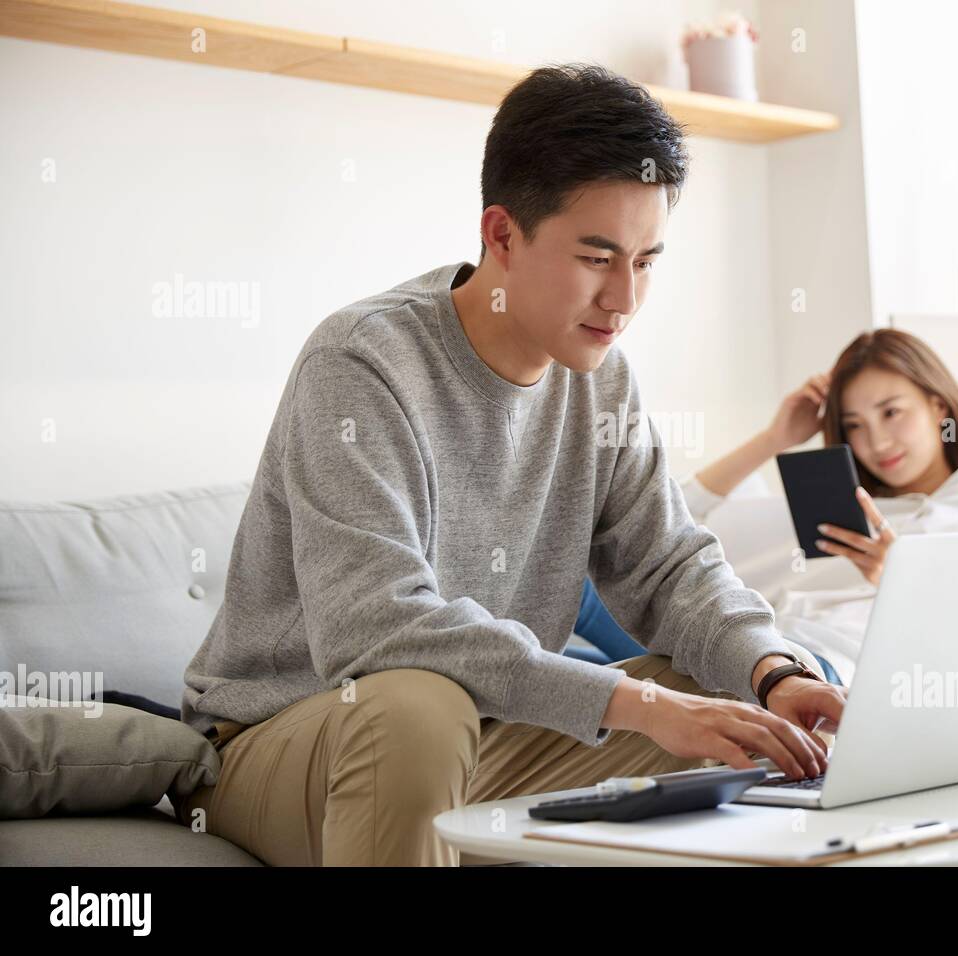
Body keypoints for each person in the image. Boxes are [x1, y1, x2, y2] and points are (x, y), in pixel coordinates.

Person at [173, 64, 845, 867]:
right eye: (597, 258)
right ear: (501, 234)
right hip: (288, 741)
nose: (624, 299)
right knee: (418, 708)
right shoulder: (361, 363)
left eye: (647, 259)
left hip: (478, 732)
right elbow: (375, 626)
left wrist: (774, 674)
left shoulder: (600, 376)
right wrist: (632, 703)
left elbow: (669, 568)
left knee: (728, 704)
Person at [571, 329, 958, 686]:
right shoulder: (828, 511)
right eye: (854, 425)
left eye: (891, 412)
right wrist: (775, 440)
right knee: (569, 596)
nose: (876, 441)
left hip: (818, 673)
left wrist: (901, 579)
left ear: (939, 407)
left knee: (576, 673)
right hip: (742, 648)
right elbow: (656, 534)